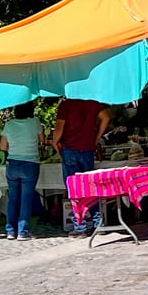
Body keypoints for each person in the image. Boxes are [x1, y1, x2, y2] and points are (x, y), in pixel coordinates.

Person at [53, 97, 112, 233]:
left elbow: (59, 128)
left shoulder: (66, 105)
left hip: (70, 149)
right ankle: (98, 221)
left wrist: (55, 142)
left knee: (74, 188)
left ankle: (80, 224)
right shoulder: (92, 102)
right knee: (91, 186)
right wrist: (96, 138)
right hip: (87, 149)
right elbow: (106, 118)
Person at [0, 102, 44, 241]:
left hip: (12, 163)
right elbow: (41, 140)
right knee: (26, 198)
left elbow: (3, 146)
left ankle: (10, 231)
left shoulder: (9, 124)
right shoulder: (35, 122)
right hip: (30, 163)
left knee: (13, 198)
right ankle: (23, 232)